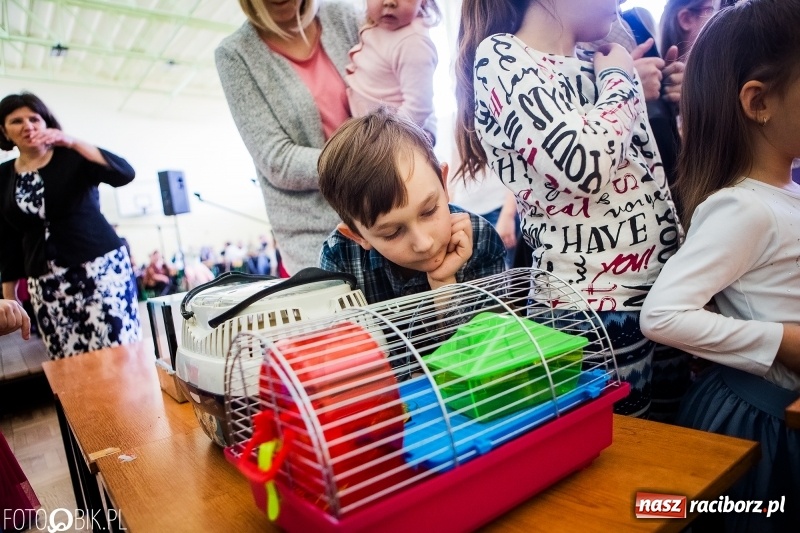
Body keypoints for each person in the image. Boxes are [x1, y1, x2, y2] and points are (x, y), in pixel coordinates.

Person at [455, 0, 687, 420]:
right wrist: (622, 79)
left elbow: (643, 173)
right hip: (592, 312)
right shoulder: (503, 56)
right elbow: (585, 166)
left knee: (673, 446)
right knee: (625, 460)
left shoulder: (591, 59)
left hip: (661, 296)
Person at [641, 1, 800, 530]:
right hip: (762, 423)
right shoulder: (744, 208)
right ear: (758, 102)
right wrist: (781, 341)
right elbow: (662, 315)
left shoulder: (783, 195)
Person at [215, 0, 360, 275]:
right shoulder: (235, 54)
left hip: (387, 207)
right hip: (317, 238)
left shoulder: (344, 15)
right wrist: (367, 162)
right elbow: (276, 159)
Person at [0, 92, 141, 359]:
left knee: (117, 352)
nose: (28, 126)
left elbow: (124, 173)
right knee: (67, 360)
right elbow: (7, 238)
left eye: (34, 118)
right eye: (16, 121)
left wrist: (71, 141)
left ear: (46, 123)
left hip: (99, 270)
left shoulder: (72, 156)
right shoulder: (3, 177)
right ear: (4, 131)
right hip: (45, 283)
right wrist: (9, 296)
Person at [318, 107, 506, 305]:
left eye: (429, 210)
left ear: (443, 184)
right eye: (392, 232)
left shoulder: (481, 240)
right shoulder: (339, 257)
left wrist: (444, 286)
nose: (424, 244)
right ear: (358, 235)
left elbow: (493, 334)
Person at [345, 0, 440, 141]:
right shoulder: (377, 25)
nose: (390, 2)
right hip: (371, 130)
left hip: (388, 141)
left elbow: (418, 108)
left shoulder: (413, 43)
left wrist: (387, 142)